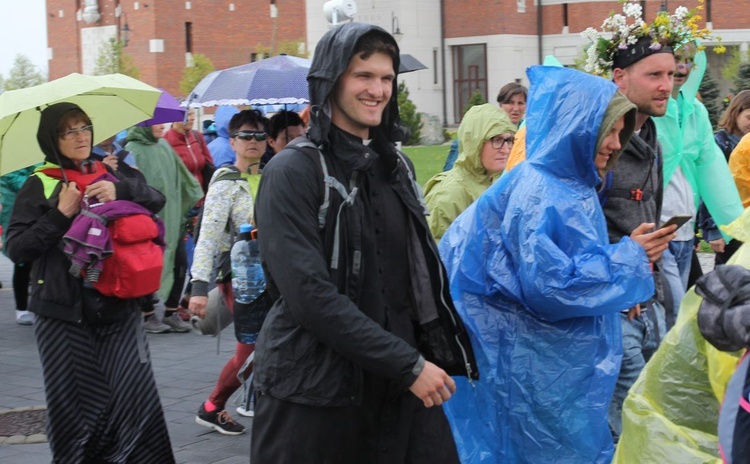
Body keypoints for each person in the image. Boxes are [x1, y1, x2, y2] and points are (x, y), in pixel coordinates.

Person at [251, 23, 478, 463]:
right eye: (363, 76)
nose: (378, 90)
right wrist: (407, 364)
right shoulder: (292, 173)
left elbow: (417, 275)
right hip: (319, 389)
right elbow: (309, 296)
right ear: (332, 80)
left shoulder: (397, 167)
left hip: (396, 384)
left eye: (386, 78)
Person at [439, 65, 675, 463]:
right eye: (610, 131)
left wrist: (622, 272)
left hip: (547, 359)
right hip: (531, 360)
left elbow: (568, 264)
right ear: (579, 125)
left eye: (621, 132)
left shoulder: (572, 185)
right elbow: (549, 286)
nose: (616, 144)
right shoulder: (541, 188)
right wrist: (627, 260)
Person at [5, 102, 174, 463]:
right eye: (69, 131)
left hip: (119, 305)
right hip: (63, 314)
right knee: (78, 410)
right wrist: (59, 214)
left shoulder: (111, 172)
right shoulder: (41, 183)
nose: (81, 136)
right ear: (53, 139)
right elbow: (17, 247)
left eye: (85, 127)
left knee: (135, 398)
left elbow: (156, 199)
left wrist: (121, 193)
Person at [592, 31, 678, 438]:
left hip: (646, 302)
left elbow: (648, 216)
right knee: (622, 428)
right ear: (619, 78)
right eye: (654, 75)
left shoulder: (652, 139)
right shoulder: (597, 140)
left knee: (646, 419)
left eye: (672, 74)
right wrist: (617, 283)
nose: (667, 85)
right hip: (611, 307)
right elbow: (576, 226)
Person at [189, 109, 269, 435]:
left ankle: (260, 404)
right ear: (232, 141)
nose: (253, 141)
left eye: (259, 135)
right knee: (251, 350)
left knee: (272, 344)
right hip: (241, 280)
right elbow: (207, 236)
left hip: (276, 276)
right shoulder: (225, 183)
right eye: (246, 136)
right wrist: (197, 288)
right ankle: (213, 406)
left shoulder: (273, 175)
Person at [654, 43, 744, 321]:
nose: (681, 68)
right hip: (655, 229)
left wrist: (737, 228)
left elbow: (712, 170)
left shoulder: (696, 111)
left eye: (687, 60)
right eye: (675, 60)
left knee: (679, 311)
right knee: (674, 310)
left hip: (683, 230)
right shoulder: (649, 108)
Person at [125, 123, 204, 333]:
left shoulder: (165, 146)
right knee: (147, 267)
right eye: (155, 123)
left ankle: (170, 311)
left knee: (180, 264)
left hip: (172, 218)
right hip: (147, 223)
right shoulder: (132, 150)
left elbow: (182, 177)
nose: (161, 126)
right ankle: (148, 314)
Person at [423, 103, 515, 240]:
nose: (506, 149)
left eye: (509, 140)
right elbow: (437, 255)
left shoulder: (495, 183)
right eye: (497, 140)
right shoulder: (449, 194)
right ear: (475, 142)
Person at [699, 89, 750, 265]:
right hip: (729, 225)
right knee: (728, 283)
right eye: (749, 117)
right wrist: (714, 230)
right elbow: (709, 189)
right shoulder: (720, 143)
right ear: (736, 113)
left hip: (746, 223)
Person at [442, 82, 526, 171]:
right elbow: (452, 170)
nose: (516, 108)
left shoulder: (529, 135)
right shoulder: (479, 132)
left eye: (520, 103)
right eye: (510, 103)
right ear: (501, 104)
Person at [0, 166, 37, 325]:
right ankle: (21, 309)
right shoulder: (9, 161)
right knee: (22, 261)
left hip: (34, 210)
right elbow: (13, 178)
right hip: (14, 212)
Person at [163, 108, 215, 192]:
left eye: (193, 114)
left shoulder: (197, 136)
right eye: (188, 114)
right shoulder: (165, 141)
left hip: (202, 197)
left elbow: (209, 163)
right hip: (182, 201)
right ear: (175, 116)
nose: (193, 118)